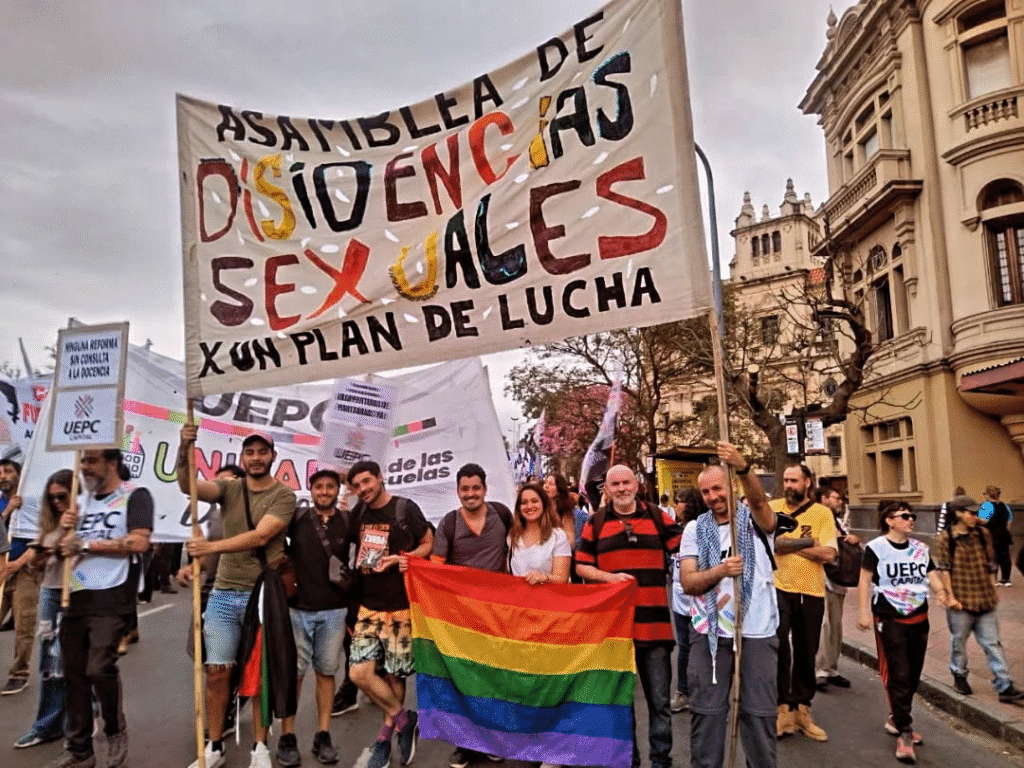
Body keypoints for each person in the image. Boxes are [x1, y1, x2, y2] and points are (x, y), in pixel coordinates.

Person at [177, 427, 297, 768]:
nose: (256, 458)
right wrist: (183, 446)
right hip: (224, 595)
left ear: (273, 456)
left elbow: (260, 537)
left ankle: (260, 748)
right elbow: (188, 487)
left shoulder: (284, 496)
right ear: (242, 458)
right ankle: (214, 746)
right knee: (216, 672)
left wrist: (209, 548)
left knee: (258, 675)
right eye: (250, 452)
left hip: (262, 595)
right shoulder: (229, 488)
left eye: (262, 452)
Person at [47, 450, 153, 768]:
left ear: (111, 463)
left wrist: (86, 544)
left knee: (99, 668)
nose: (85, 467)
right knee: (73, 674)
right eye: (83, 461)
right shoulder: (79, 501)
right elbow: (59, 546)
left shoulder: (135, 495)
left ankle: (114, 729)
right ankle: (80, 748)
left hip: (113, 594)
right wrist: (63, 531)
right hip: (76, 594)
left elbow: (138, 542)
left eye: (92, 461)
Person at [680, 442, 778, 768]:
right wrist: (722, 570)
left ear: (732, 486)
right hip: (710, 633)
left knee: (759, 714)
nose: (713, 497)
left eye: (718, 488)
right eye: (706, 492)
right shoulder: (695, 529)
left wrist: (743, 465)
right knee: (707, 715)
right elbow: (689, 582)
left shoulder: (757, 521)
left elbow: (761, 501)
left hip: (757, 632)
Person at [575, 465, 681, 768]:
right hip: (616, 632)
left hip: (656, 629)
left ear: (636, 484)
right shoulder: (595, 523)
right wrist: (609, 579)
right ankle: (630, 761)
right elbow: (581, 565)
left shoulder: (659, 517)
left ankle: (661, 762)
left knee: (660, 704)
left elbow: (686, 550)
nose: (621, 488)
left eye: (626, 482)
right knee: (622, 706)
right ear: (606, 489)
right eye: (615, 484)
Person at [346, 460, 433, 768]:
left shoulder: (405, 509)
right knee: (359, 673)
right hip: (369, 607)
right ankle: (403, 719)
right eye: (356, 486)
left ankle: (384, 738)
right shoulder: (357, 512)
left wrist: (402, 558)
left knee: (394, 675)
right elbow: (353, 551)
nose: (363, 490)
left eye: (367, 482)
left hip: (400, 607)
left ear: (380, 478)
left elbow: (428, 543)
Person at [432, 463, 514, 768]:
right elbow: (435, 569)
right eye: (465, 489)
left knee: (494, 680)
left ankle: (493, 739)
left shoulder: (502, 515)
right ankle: (464, 743)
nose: (470, 494)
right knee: (462, 681)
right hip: (461, 619)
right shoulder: (449, 523)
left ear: (485, 489)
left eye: (475, 488)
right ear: (458, 491)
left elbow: (530, 541)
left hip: (497, 616)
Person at [857, 501, 947, 764]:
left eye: (912, 516)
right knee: (899, 672)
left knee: (914, 674)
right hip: (889, 617)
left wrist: (942, 592)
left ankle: (897, 718)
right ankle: (905, 731)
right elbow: (864, 580)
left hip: (919, 616)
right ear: (889, 520)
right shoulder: (876, 548)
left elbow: (931, 574)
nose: (911, 520)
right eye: (905, 516)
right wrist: (863, 612)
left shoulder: (920, 549)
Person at [277, 469, 351, 766]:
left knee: (326, 673)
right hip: (297, 610)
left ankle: (323, 735)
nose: (324, 491)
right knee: (293, 675)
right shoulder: (296, 518)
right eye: (318, 487)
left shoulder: (347, 521)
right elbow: (271, 542)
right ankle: (287, 736)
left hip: (334, 610)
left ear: (337, 490)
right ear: (311, 490)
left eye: (330, 486)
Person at [176, 464, 247, 740]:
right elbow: (206, 556)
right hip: (209, 591)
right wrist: (192, 567)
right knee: (205, 657)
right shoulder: (212, 516)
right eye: (217, 483)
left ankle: (227, 712)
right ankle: (226, 705)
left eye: (228, 483)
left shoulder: (249, 514)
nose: (220, 488)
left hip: (238, 592)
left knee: (227, 662)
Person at [933, 494, 1024, 703]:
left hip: (984, 598)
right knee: (959, 642)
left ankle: (1005, 685)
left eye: (977, 512)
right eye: (971, 513)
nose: (975, 516)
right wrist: (951, 597)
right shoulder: (945, 538)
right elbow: (945, 570)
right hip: (961, 600)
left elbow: (991, 562)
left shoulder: (983, 534)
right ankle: (959, 675)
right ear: (958, 514)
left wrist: (992, 586)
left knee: (993, 643)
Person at [770, 462, 836, 742]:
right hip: (778, 588)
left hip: (811, 591)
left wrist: (790, 544)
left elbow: (830, 553)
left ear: (807, 483)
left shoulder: (822, 513)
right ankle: (782, 707)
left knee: (807, 650)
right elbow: (772, 544)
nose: (788, 485)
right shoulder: (773, 509)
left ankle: (803, 709)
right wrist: (809, 544)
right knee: (780, 647)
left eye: (794, 480)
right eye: (786, 480)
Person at [14, 469, 73, 749]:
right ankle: (48, 725)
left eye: (62, 496)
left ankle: (93, 708)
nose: (57, 501)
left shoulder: (88, 517)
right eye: (51, 498)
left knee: (86, 662)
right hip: (51, 591)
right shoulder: (50, 523)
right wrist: (53, 540)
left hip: (81, 592)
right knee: (51, 662)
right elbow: (34, 562)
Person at [0, 457, 43, 695]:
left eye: (7, 471)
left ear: (19, 474)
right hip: (1, 569)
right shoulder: (2, 503)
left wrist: (17, 564)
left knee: (23, 624)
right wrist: (7, 510)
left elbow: (41, 538)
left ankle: (19, 673)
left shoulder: (33, 501)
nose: (2, 476)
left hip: (24, 571)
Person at [814, 486, 858, 691]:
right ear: (824, 499)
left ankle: (832, 668)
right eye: (835, 497)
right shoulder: (815, 518)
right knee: (823, 624)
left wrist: (852, 540)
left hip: (838, 579)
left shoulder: (837, 521)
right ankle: (819, 670)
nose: (839, 501)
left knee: (836, 624)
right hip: (821, 576)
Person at [670, 487, 705, 715]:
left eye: (680, 501)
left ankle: (705, 694)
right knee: (683, 648)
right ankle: (683, 692)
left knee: (701, 648)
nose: (676, 506)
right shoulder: (676, 531)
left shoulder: (701, 529)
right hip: (679, 600)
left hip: (699, 600)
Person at [508, 482, 570, 586]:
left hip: (547, 600)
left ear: (544, 504)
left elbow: (562, 579)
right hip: (518, 600)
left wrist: (543, 577)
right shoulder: (512, 536)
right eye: (524, 502)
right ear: (519, 508)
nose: (529, 506)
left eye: (534, 501)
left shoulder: (558, 537)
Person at [978, 486, 1013, 586]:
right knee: (1005, 557)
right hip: (1005, 535)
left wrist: (976, 520)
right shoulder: (1005, 506)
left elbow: (984, 520)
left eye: (984, 494)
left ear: (988, 494)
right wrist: (1005, 531)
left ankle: (994, 580)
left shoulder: (987, 505)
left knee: (993, 557)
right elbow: (1009, 521)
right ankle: (1006, 579)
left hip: (992, 535)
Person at [542, 473, 576, 545]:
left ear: (559, 490)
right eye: (545, 483)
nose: (546, 486)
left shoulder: (564, 511)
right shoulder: (539, 508)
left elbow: (571, 541)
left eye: (551, 484)